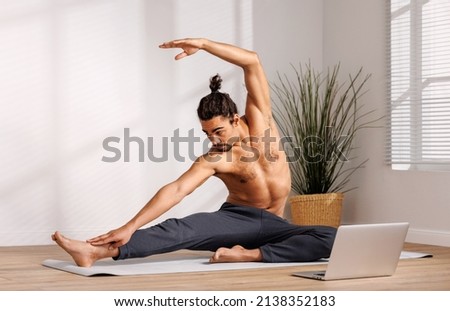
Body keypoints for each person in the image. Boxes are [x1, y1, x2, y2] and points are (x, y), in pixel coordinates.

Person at [52, 38, 336, 267]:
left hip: (275, 225)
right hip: (236, 221)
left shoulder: (261, 120)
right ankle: (93, 253)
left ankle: (250, 255)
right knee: (180, 229)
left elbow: (252, 60)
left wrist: (203, 44)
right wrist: (130, 226)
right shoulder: (214, 158)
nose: (212, 139)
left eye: (218, 131)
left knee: (331, 237)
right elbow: (176, 190)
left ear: (235, 119)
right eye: (207, 133)